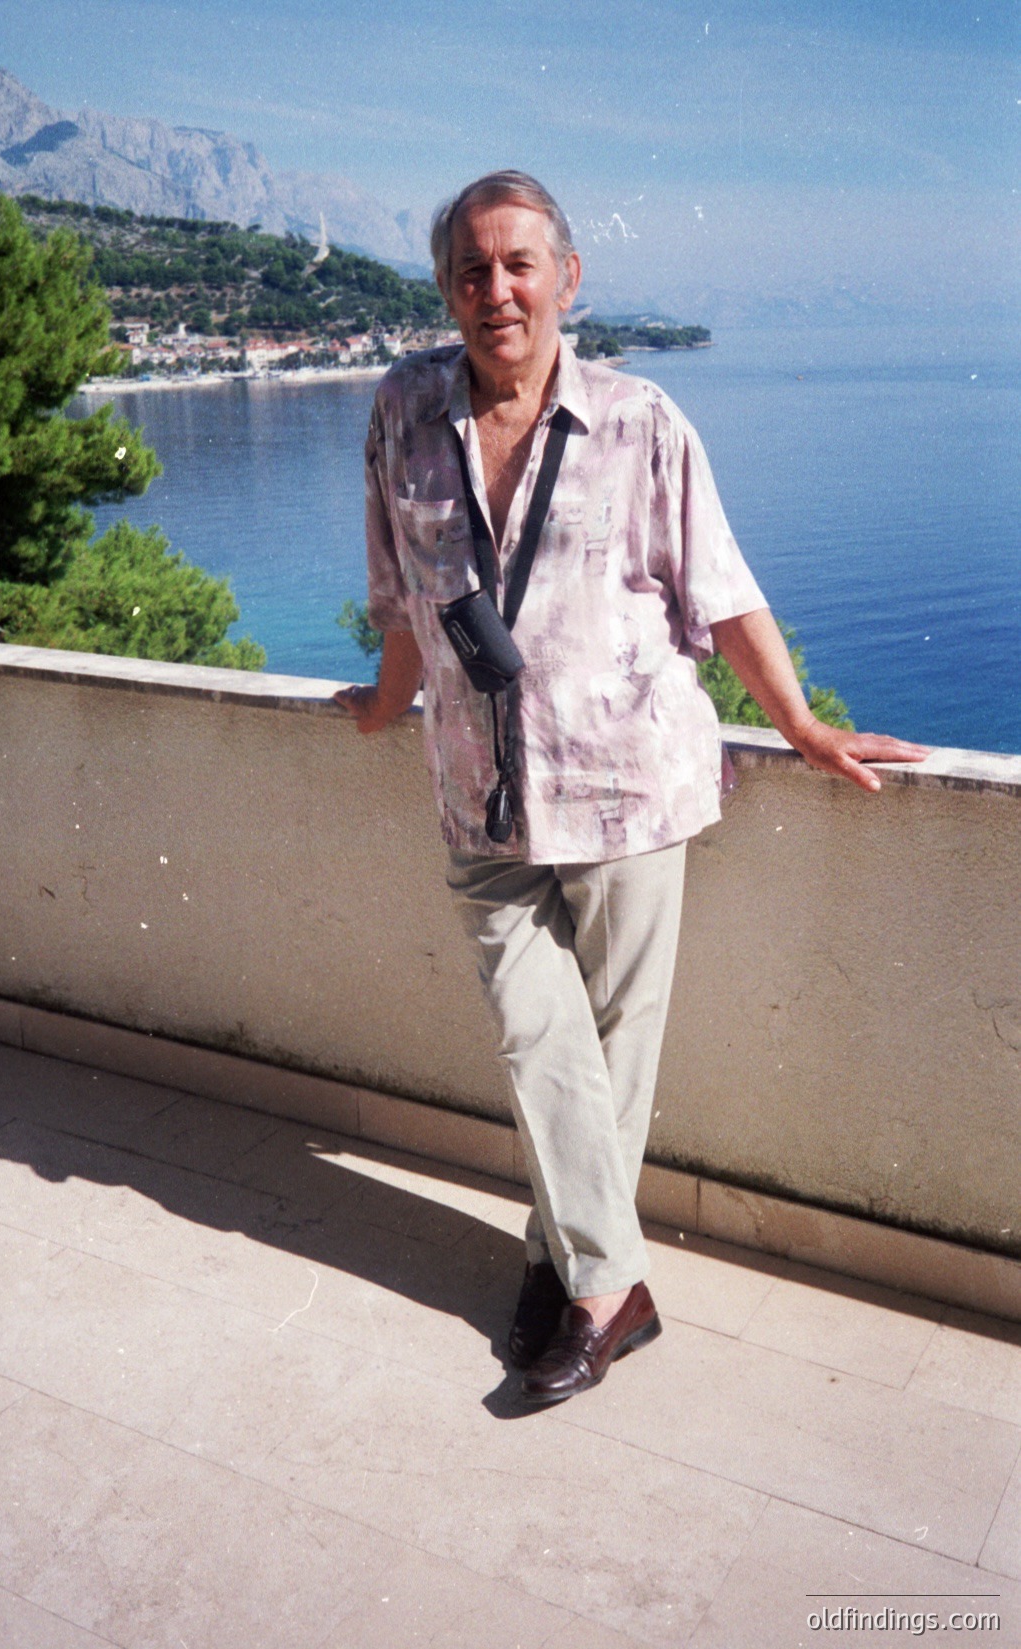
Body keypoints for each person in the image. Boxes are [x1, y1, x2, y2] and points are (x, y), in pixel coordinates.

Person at [334, 170, 928, 1404]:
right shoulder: (401, 411)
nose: (495, 290)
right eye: (470, 269)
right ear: (445, 287)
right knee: (534, 1032)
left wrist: (800, 724)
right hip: (479, 791)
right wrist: (386, 704)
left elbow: (722, 588)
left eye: (518, 264)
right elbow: (399, 597)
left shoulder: (639, 420)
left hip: (626, 789)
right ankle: (612, 1284)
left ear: (566, 279)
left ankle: (567, 1271)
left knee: (607, 1053)